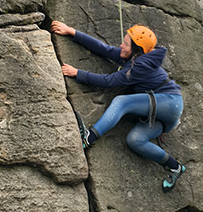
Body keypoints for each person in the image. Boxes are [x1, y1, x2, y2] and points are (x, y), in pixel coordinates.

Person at [50, 20, 186, 192]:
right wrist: (72, 31)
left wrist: (78, 73)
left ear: (137, 50)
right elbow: (104, 50)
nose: (121, 45)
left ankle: (89, 137)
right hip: (164, 117)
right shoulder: (133, 57)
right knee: (135, 141)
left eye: (126, 43)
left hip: (169, 101)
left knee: (122, 101)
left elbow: (109, 81)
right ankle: (175, 167)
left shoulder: (139, 65)